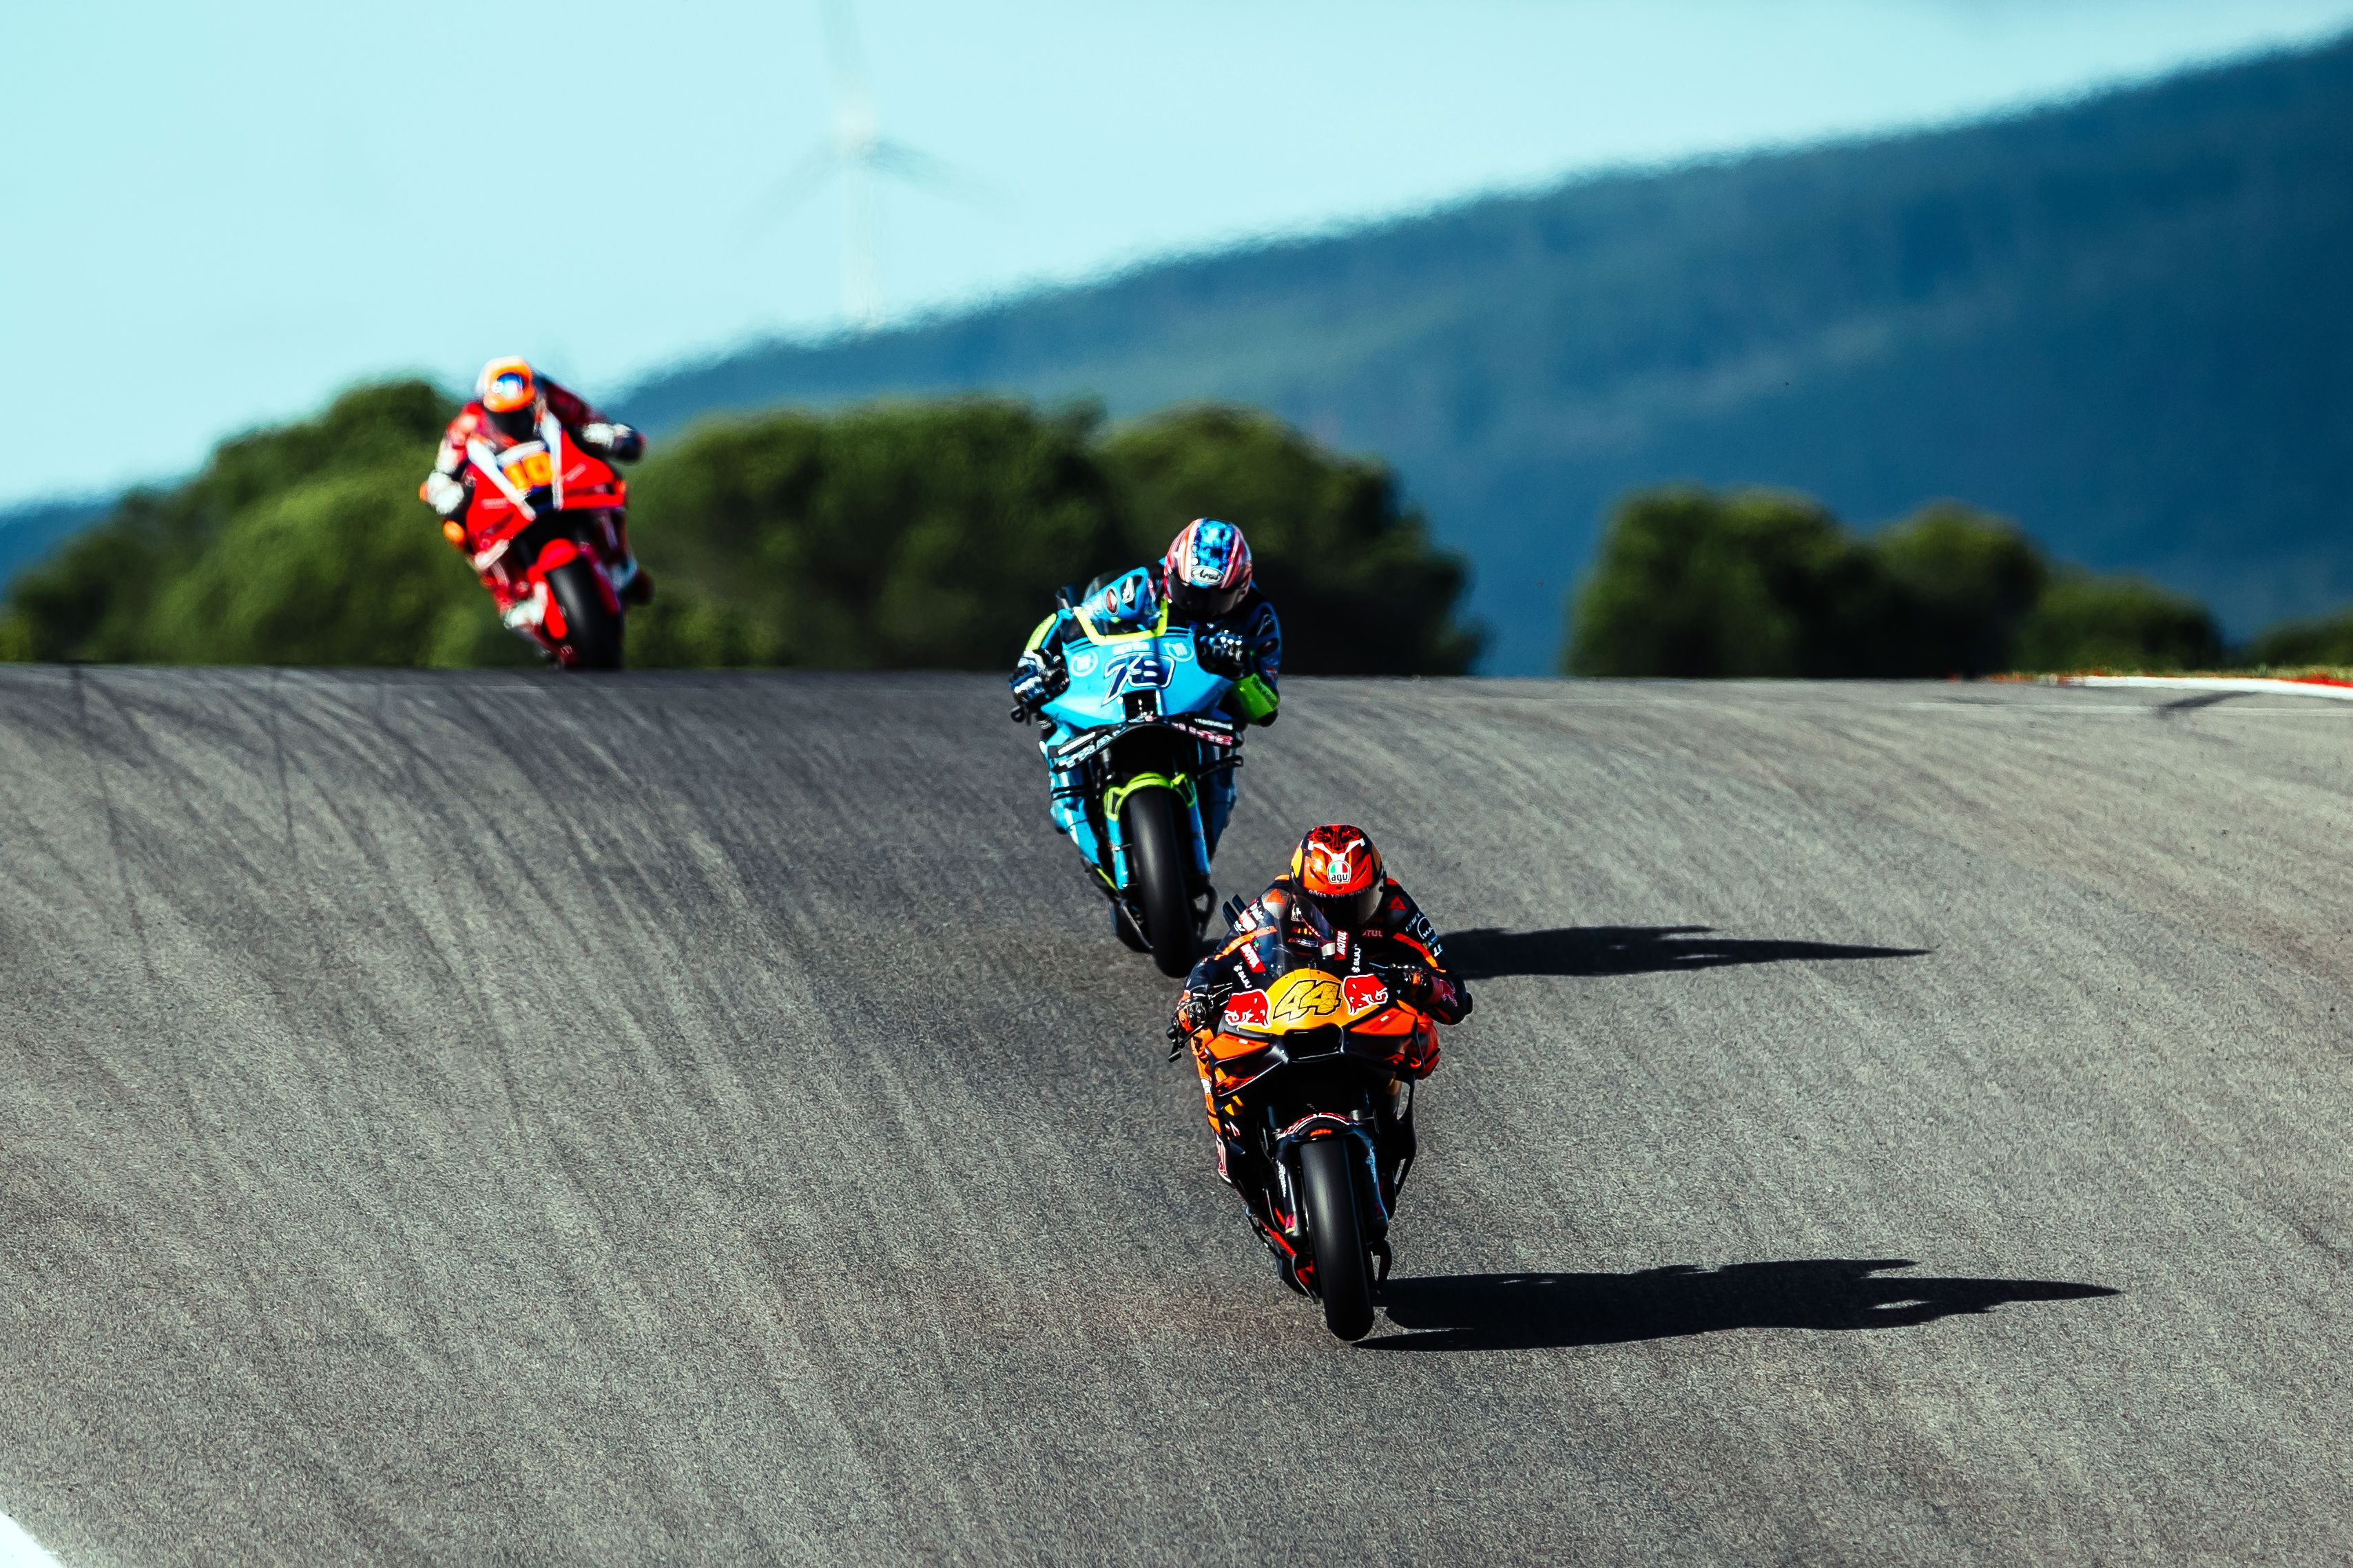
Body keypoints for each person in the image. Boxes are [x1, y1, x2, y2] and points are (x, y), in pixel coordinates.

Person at [1170, 824, 1472, 1235]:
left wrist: (1423, 983)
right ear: (1301, 892)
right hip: (1290, 1012)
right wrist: (1195, 998)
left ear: (1378, 886)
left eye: (1357, 903)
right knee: (1207, 1037)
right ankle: (1231, 1138)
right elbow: (1216, 962)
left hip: (1362, 1018)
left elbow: (1454, 994)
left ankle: (1382, 1128)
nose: (1342, 918)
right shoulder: (1276, 903)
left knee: (1416, 1035)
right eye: (1326, 906)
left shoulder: (1398, 908)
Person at [1008, 519, 1282, 907]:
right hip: (1139, 688)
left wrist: (1241, 669)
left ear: (1241, 588)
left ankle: (1197, 850)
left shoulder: (1259, 617)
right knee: (1055, 723)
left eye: (1215, 600)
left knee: (1224, 759)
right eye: (1189, 594)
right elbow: (1072, 620)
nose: (1200, 607)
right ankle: (1074, 800)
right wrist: (1033, 662)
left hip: (1205, 716)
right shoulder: (1143, 585)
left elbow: (1266, 707)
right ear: (1172, 573)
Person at [419, 357, 652, 625]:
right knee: (456, 528)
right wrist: (444, 492)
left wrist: (609, 436)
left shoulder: (557, 397)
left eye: (524, 411)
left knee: (610, 479)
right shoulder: (467, 424)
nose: (516, 421)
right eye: (505, 415)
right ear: (487, 406)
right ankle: (508, 594)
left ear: (536, 397)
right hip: (504, 498)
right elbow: (440, 474)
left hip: (563, 482)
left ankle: (618, 560)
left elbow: (598, 424)